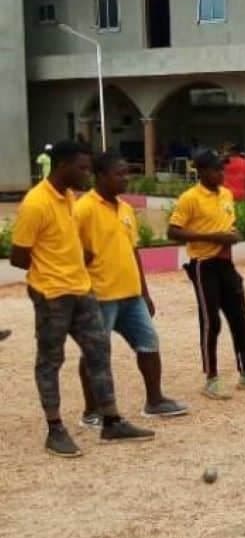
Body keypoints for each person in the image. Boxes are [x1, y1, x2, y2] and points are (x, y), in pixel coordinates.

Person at [9, 141, 154, 457]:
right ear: (63, 167)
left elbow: (66, 238)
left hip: (82, 289)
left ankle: (111, 420)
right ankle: (55, 429)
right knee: (50, 361)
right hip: (51, 294)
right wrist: (54, 266)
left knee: (98, 352)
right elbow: (18, 256)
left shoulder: (69, 198)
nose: (88, 175)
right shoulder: (36, 203)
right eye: (83, 168)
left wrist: (76, 256)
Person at [75, 151, 189, 426]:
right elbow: (71, 251)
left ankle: (155, 400)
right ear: (100, 176)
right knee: (95, 352)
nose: (126, 179)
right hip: (98, 296)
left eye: (128, 173)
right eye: (120, 174)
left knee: (148, 343)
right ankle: (92, 411)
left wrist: (145, 292)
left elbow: (132, 251)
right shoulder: (83, 209)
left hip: (131, 295)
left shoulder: (126, 210)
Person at [168, 149, 245, 399]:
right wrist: (212, 237)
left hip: (226, 263)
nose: (221, 174)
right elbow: (173, 232)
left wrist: (233, 235)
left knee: (240, 318)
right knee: (211, 322)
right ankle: (211, 378)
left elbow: (228, 224)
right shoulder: (189, 198)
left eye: (222, 169)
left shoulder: (226, 194)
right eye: (216, 170)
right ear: (202, 171)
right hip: (204, 264)